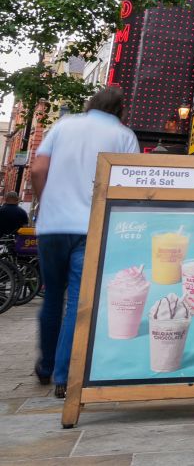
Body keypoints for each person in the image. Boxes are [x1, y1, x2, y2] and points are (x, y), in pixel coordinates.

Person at [29, 87, 138, 398]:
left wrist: (45, 202)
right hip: (91, 226)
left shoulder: (63, 126)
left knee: (52, 298)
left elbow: (37, 168)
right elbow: (127, 184)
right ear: (121, 109)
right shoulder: (123, 135)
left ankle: (46, 365)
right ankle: (65, 375)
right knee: (78, 301)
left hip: (52, 226)